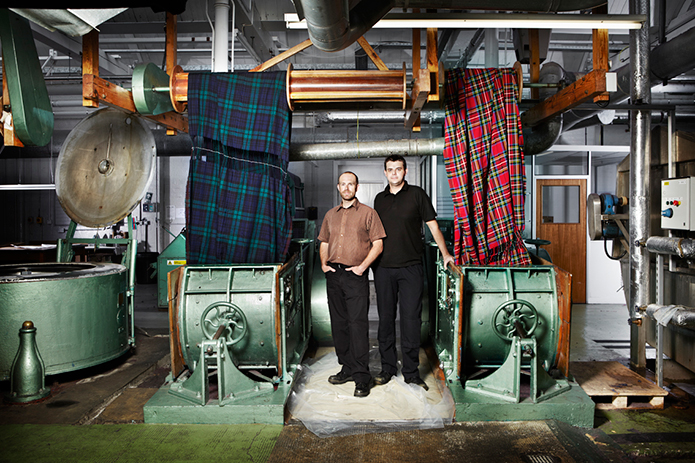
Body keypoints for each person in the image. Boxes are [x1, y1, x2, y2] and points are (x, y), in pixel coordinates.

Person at [373, 155, 455, 391]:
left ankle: (410, 373)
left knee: (411, 320)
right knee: (385, 320)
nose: (394, 173)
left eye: (398, 169)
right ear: (385, 173)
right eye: (390, 169)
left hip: (411, 267)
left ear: (405, 171)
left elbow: (433, 226)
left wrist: (445, 254)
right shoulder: (379, 199)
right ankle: (387, 368)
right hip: (384, 268)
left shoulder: (417, 194)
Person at [317, 171, 386, 397]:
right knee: (339, 324)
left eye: (351, 184)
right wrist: (323, 264)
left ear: (357, 187)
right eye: (343, 184)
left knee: (357, 325)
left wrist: (362, 267)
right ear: (338, 187)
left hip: (355, 275)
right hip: (333, 275)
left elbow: (378, 245)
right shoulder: (330, 215)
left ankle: (361, 377)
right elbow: (324, 242)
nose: (347, 188)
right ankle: (346, 368)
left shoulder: (368, 213)